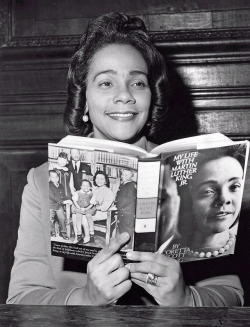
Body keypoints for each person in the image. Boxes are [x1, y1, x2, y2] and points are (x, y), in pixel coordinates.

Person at [7, 13, 244, 306]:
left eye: (138, 83)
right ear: (84, 100)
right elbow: (21, 300)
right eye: (106, 83)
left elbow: (232, 295)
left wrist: (185, 298)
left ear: (150, 98)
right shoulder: (43, 181)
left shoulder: (191, 172)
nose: (125, 96)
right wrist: (86, 298)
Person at [158, 144, 247, 263]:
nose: (224, 199)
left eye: (234, 186)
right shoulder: (164, 252)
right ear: (188, 198)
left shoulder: (245, 249)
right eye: (208, 191)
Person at [114, 169, 137, 249]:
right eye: (122, 174)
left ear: (131, 177)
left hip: (128, 212)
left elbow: (127, 200)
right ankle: (124, 243)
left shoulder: (130, 186)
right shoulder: (123, 184)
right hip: (123, 211)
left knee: (127, 228)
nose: (123, 176)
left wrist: (117, 207)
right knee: (122, 227)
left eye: (126, 175)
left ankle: (129, 245)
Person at [49, 170, 73, 240]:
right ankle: (52, 232)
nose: (55, 179)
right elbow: (53, 197)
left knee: (62, 218)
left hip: (58, 206)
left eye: (56, 177)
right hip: (50, 205)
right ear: (49, 177)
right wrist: (63, 202)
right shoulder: (48, 185)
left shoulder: (60, 185)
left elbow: (63, 196)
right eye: (52, 177)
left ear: (58, 177)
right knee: (50, 219)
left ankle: (63, 233)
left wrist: (69, 199)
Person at [71, 179, 96, 244]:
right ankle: (79, 234)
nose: (86, 187)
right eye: (84, 186)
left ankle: (91, 233)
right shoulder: (77, 193)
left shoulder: (91, 194)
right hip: (79, 208)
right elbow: (74, 201)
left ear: (90, 187)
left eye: (88, 186)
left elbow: (92, 204)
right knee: (78, 217)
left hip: (87, 208)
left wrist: (87, 208)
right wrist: (79, 207)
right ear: (81, 187)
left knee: (89, 217)